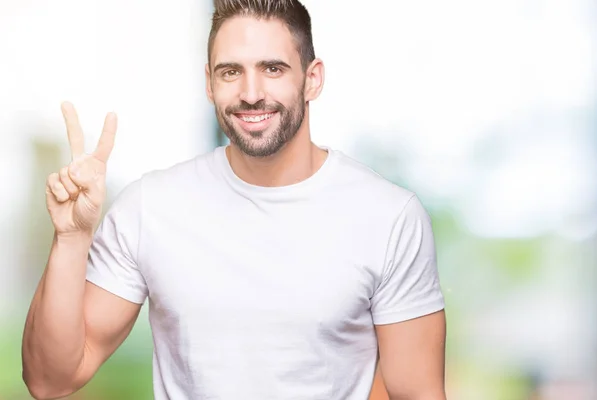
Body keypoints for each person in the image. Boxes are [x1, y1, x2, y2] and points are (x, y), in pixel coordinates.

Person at [21, 0, 447, 399]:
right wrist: (72, 238)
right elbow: (49, 380)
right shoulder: (149, 208)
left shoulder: (388, 216)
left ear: (312, 78)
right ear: (209, 82)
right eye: (231, 72)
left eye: (273, 68)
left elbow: (416, 393)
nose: (251, 92)